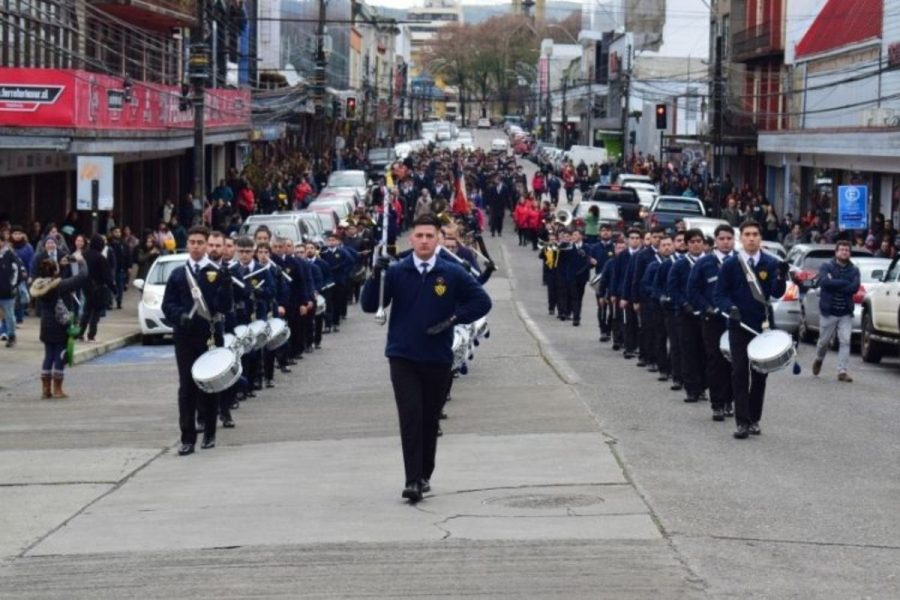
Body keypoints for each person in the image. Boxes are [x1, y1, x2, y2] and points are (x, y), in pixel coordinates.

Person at [361, 214, 491, 503]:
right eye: (419, 236)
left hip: (437, 357)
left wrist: (453, 319)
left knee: (429, 419)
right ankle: (411, 480)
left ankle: (424, 474)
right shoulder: (396, 271)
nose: (423, 241)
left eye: (429, 236)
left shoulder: (452, 273)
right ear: (411, 239)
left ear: (438, 240)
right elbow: (371, 306)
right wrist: (374, 276)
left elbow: (482, 301)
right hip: (403, 355)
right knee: (410, 416)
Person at [162, 225, 234, 456]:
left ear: (206, 245)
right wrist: (178, 316)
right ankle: (187, 437)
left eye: (200, 242)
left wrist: (225, 286)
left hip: (210, 335)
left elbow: (225, 306)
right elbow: (167, 304)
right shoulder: (177, 274)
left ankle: (210, 432)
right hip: (184, 336)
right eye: (192, 242)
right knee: (187, 386)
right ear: (187, 244)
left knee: (209, 384)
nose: (196, 246)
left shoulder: (216, 272)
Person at [714, 220, 788, 439]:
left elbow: (776, 293)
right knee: (739, 372)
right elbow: (719, 294)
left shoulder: (770, 262)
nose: (751, 238)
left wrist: (782, 276)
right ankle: (742, 422)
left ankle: (754, 418)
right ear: (741, 238)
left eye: (755, 234)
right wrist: (730, 308)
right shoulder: (730, 264)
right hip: (739, 324)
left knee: (760, 374)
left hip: (762, 325)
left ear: (760, 237)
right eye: (747, 234)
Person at [687, 224, 736, 420]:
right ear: (715, 241)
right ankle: (717, 403)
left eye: (729, 238)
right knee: (716, 361)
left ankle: (729, 401)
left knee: (734, 362)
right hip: (712, 320)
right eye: (722, 238)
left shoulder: (739, 262)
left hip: (734, 320)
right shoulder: (704, 263)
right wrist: (706, 307)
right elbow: (693, 290)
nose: (725, 242)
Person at [30, 257, 89, 397]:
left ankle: (45, 389)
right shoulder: (61, 285)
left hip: (45, 325)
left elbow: (52, 278)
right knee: (60, 355)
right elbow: (82, 276)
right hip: (59, 324)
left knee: (48, 355)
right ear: (54, 271)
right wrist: (81, 262)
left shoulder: (39, 286)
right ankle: (57, 389)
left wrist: (60, 268)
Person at [811, 240, 860, 382]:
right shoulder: (827, 266)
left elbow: (854, 287)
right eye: (842, 250)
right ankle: (819, 359)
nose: (844, 252)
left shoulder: (854, 270)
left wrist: (836, 283)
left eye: (847, 250)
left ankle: (842, 371)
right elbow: (825, 282)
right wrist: (844, 282)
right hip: (829, 310)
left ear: (849, 253)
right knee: (823, 341)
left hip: (845, 311)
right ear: (836, 252)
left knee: (845, 340)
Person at [668, 228, 707, 403]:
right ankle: (691, 388)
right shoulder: (679, 264)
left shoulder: (709, 263)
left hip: (706, 314)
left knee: (705, 352)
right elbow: (673, 288)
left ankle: (703, 387)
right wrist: (684, 304)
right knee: (688, 352)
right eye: (692, 242)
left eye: (699, 241)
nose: (696, 245)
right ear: (686, 244)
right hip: (685, 315)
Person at [0, 231, 27, 347]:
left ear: (3, 242)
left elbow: (17, 271)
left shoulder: (10, 254)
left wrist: (12, 285)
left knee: (9, 314)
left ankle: (11, 335)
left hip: (7, 291)